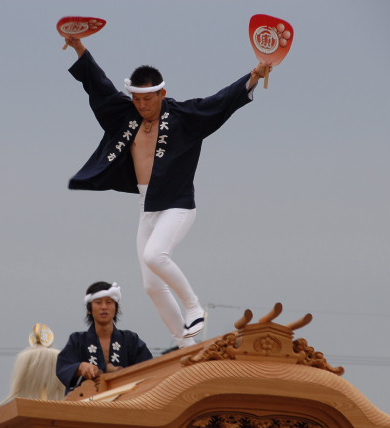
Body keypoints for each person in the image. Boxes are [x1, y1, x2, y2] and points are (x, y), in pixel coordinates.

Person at [63, 37, 270, 349]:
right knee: (151, 285)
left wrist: (253, 76)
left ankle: (193, 307)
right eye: (136, 99)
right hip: (148, 206)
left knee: (155, 255)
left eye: (148, 99)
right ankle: (185, 345)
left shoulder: (185, 116)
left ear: (162, 93)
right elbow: (99, 85)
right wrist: (79, 48)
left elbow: (220, 101)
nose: (142, 105)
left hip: (178, 205)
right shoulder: (126, 115)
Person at [56, 281, 152, 394]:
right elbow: (63, 367)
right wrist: (80, 367)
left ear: (116, 308)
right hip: (87, 400)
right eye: (98, 302)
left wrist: (121, 373)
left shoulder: (131, 340)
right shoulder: (77, 340)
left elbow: (148, 369)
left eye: (109, 302)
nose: (104, 307)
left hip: (124, 400)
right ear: (89, 310)